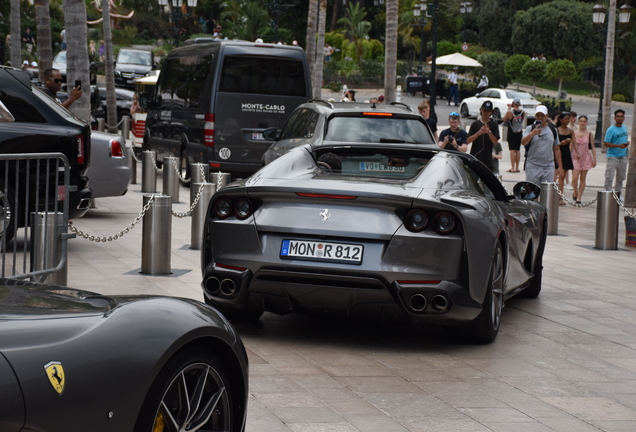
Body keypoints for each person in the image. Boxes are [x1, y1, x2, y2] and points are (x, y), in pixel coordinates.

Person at [520, 105, 563, 186]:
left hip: (548, 166)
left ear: (547, 116)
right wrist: (531, 134)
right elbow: (523, 142)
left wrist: (560, 167)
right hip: (533, 165)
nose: (540, 117)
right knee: (532, 192)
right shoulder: (530, 128)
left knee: (546, 193)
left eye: (542, 115)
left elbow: (556, 149)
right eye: (538, 115)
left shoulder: (553, 130)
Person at [467, 100, 500, 171]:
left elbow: (495, 142)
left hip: (487, 159)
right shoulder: (475, 124)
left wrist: (489, 132)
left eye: (488, 111)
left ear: (491, 112)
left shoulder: (494, 125)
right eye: (484, 110)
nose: (486, 113)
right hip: (475, 157)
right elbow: (468, 140)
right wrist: (478, 133)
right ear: (481, 110)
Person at [603, 109, 630, 195]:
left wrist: (626, 144)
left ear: (624, 118)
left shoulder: (625, 128)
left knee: (621, 178)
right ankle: (608, 194)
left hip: (623, 156)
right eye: (618, 116)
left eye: (621, 116)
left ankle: (618, 194)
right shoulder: (611, 130)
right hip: (612, 156)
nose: (620, 118)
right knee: (609, 177)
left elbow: (624, 139)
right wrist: (618, 146)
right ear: (615, 118)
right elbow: (606, 143)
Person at [571, 115, 596, 204]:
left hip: (586, 157)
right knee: (574, 178)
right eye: (581, 121)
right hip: (575, 157)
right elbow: (571, 145)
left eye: (584, 121)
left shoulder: (589, 134)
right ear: (578, 122)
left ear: (586, 122)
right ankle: (575, 191)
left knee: (583, 178)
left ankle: (579, 197)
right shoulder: (573, 133)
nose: (582, 123)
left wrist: (594, 159)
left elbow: (592, 147)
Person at [502, 98, 525, 173]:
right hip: (519, 132)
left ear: (513, 104)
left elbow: (504, 119)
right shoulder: (523, 112)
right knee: (518, 150)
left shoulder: (510, 112)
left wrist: (508, 108)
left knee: (512, 150)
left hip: (512, 132)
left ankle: (512, 167)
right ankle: (517, 167)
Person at [555, 112, 574, 205]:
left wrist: (577, 153)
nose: (567, 121)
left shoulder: (570, 131)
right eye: (566, 119)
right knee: (555, 176)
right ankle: (554, 196)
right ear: (561, 119)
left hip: (566, 154)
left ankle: (560, 197)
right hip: (557, 153)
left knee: (562, 177)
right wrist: (560, 143)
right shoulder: (556, 130)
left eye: (568, 119)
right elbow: (553, 143)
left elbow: (574, 143)